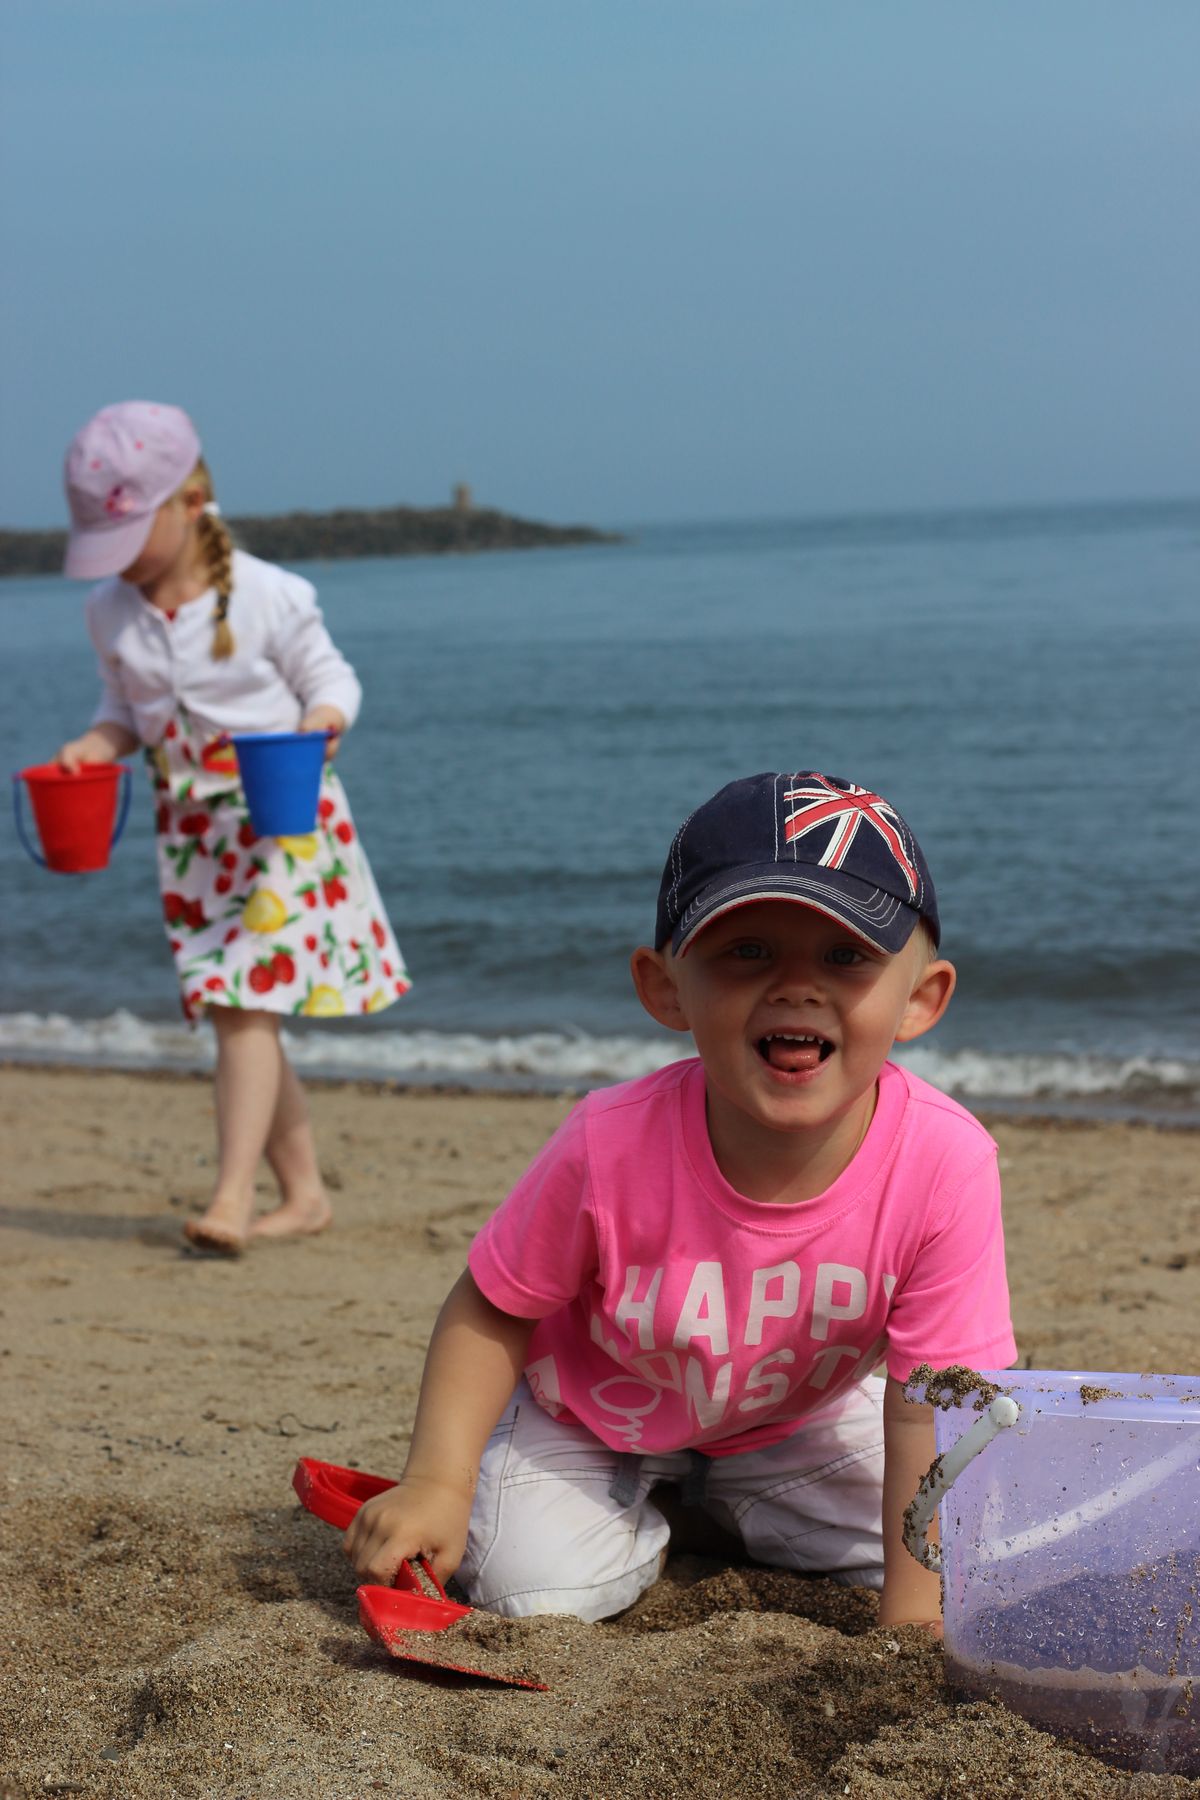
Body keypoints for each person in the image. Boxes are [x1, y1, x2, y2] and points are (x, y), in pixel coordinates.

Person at [344, 770, 1015, 1629]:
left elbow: (936, 1401)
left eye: (846, 956)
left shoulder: (944, 1161)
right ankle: (667, 1508)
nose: (796, 986)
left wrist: (913, 1624)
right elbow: (493, 1304)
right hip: (588, 1416)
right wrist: (438, 1479)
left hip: (787, 1424)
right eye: (747, 951)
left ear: (921, 998)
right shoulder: (609, 1141)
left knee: (976, 1548)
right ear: (665, 987)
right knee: (536, 1593)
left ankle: (708, 1510)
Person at [55, 400, 410, 1256]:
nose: (123, 564)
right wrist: (92, 749)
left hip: (280, 831)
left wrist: (322, 718)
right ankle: (305, 1194)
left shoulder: (268, 595)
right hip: (194, 842)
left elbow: (334, 677)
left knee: (242, 1008)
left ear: (191, 498)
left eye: (132, 537)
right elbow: (125, 712)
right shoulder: (111, 612)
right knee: (242, 1013)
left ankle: (231, 1198)